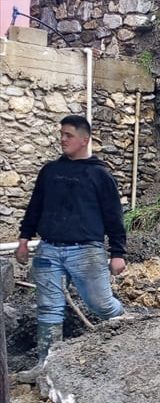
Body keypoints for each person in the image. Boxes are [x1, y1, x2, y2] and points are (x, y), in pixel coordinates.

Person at [15, 114, 126, 378]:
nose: (62, 139)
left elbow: (114, 217)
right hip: (49, 250)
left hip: (86, 251)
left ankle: (131, 342)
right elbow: (35, 207)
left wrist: (118, 253)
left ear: (84, 140)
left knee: (102, 305)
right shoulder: (50, 171)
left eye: (69, 135)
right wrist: (24, 239)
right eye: (61, 134)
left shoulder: (100, 175)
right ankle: (48, 369)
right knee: (49, 308)